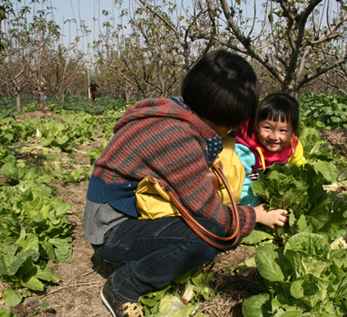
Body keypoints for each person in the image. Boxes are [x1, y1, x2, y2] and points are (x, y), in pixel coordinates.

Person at [82, 50, 288, 317]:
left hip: (113, 212)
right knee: (212, 234)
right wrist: (255, 216)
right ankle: (123, 286)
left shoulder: (172, 110)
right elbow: (210, 212)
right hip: (110, 231)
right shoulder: (178, 138)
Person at [235, 92, 307, 206]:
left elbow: (301, 170)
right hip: (247, 204)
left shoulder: (292, 147)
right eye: (267, 128)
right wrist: (257, 210)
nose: (274, 137)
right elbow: (239, 187)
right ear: (257, 125)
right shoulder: (245, 151)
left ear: (293, 131)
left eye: (282, 130)